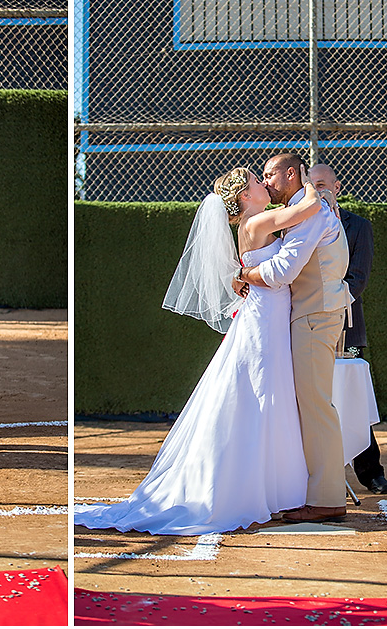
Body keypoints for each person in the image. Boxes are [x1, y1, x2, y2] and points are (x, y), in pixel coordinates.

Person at [74, 168, 328, 535]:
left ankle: (267, 489)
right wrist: (306, 178)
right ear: (244, 196)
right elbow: (307, 208)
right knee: (262, 391)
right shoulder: (258, 222)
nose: (265, 185)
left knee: (265, 393)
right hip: (264, 317)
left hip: (266, 313)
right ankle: (255, 489)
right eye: (259, 181)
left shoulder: (253, 223)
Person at [236, 153, 352, 523]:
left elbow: (285, 269)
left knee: (316, 405)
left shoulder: (311, 212)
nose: (266, 181)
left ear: (290, 174)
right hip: (310, 314)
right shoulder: (302, 208)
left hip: (315, 315)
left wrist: (246, 275)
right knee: (309, 405)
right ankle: (315, 491)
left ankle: (327, 497)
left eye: (270, 174)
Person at [309, 163, 387, 495]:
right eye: (311, 185)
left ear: (337, 186)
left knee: (351, 397)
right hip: (307, 326)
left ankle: (371, 472)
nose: (316, 190)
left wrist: (323, 304)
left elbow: (357, 279)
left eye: (321, 184)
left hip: (346, 325)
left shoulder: (358, 227)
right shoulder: (298, 223)